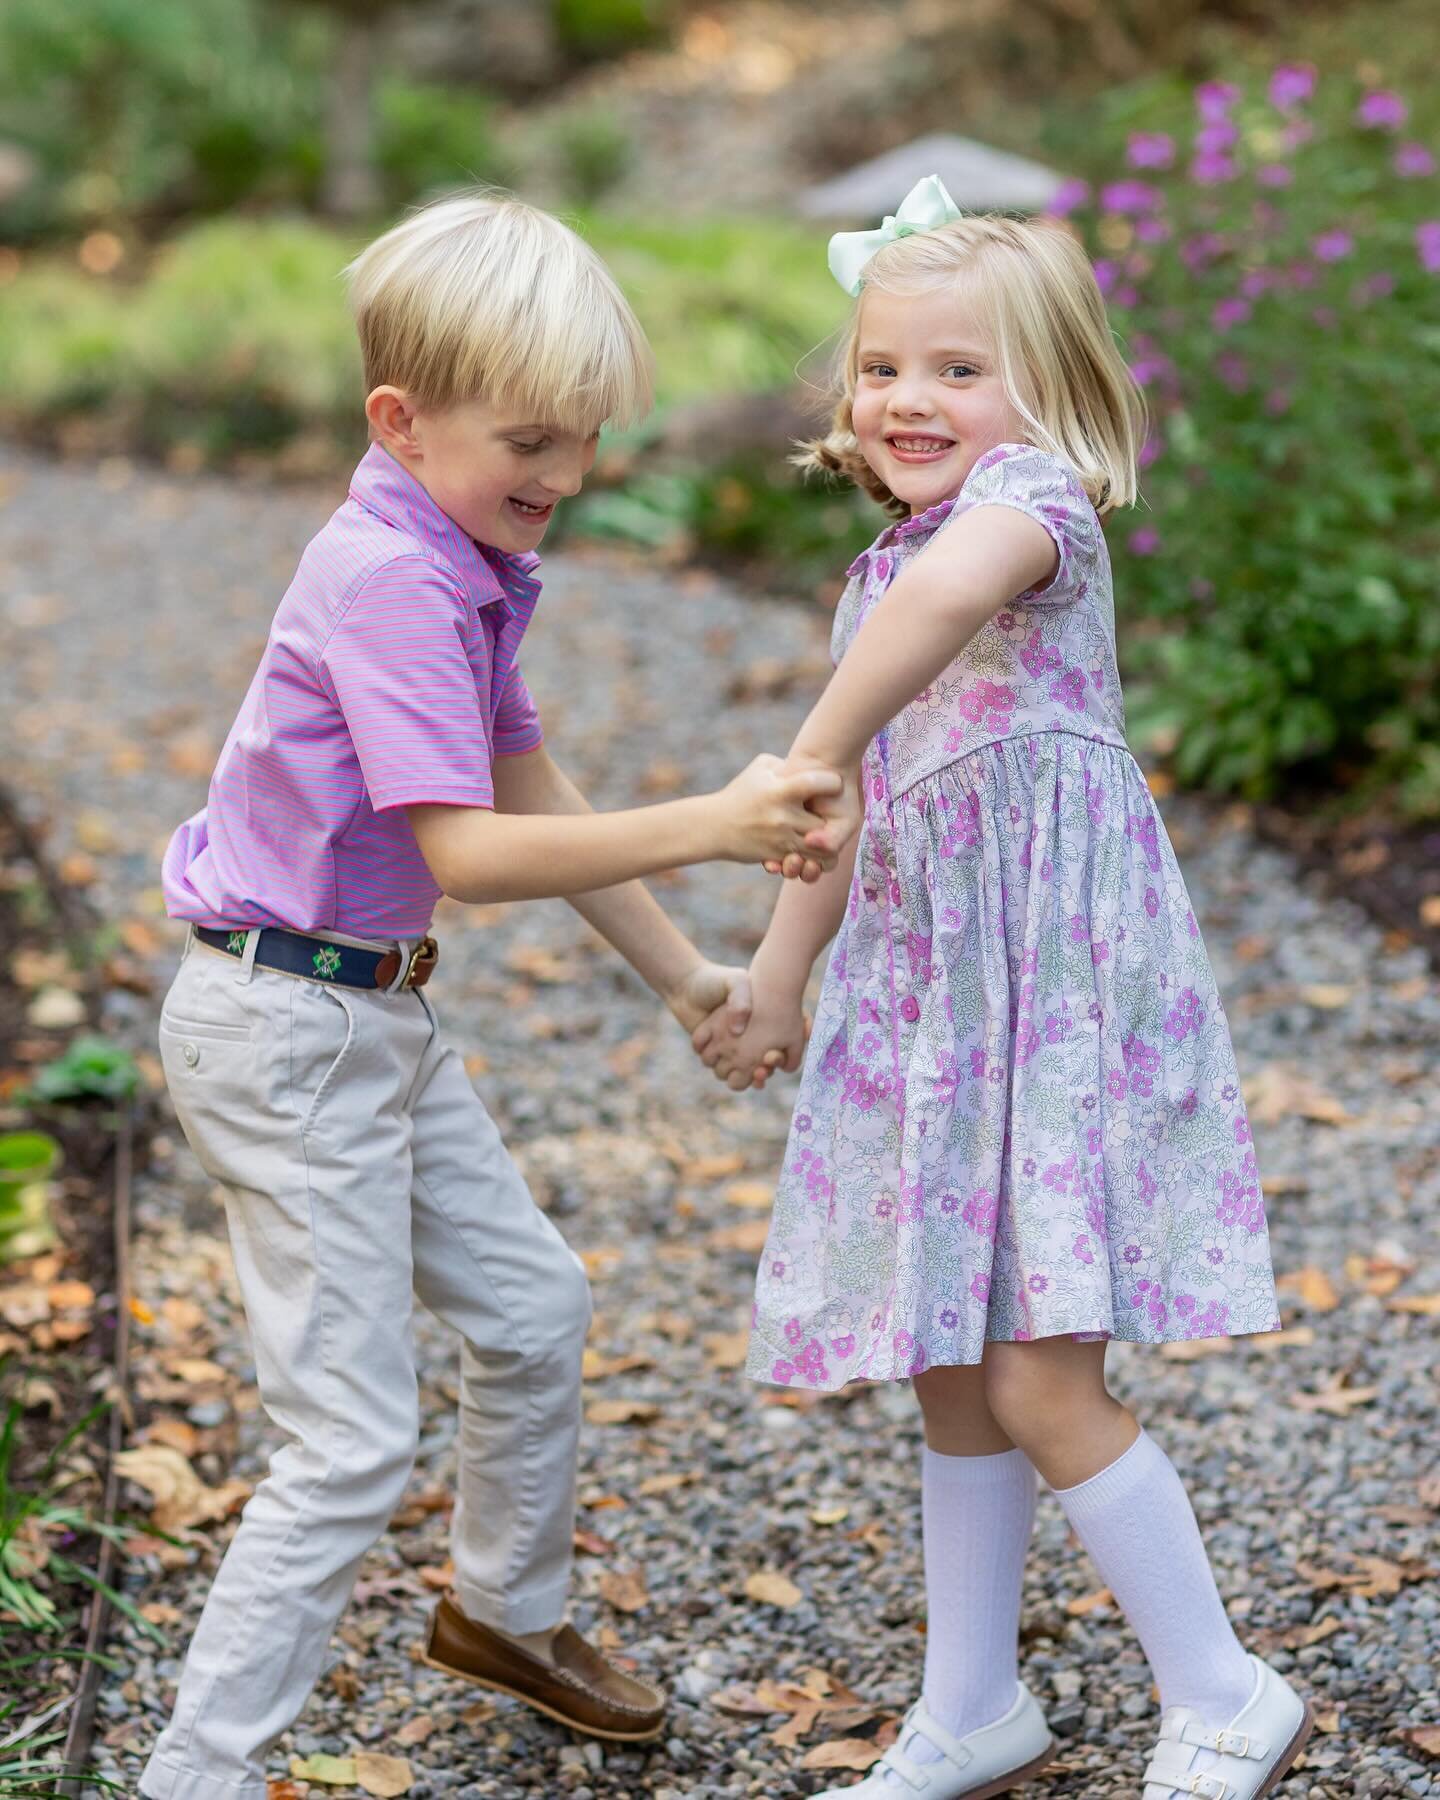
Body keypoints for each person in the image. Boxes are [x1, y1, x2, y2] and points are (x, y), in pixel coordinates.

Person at [141, 189, 840, 1800]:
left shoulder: (463, 556)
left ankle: (505, 1615)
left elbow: (528, 778)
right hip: (284, 1032)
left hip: (366, 1019)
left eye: (589, 439)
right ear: (401, 420)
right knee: (346, 1446)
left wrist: (685, 979)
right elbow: (467, 850)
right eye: (536, 438)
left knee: (534, 1310)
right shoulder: (387, 577)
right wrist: (723, 825)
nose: (571, 476)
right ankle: (192, 1771)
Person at [692, 179, 1312, 1800]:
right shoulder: (873, 579)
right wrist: (776, 975)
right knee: (948, 1358)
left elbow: (943, 614)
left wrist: (811, 739)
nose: (910, 398)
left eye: (958, 368)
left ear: (1042, 393)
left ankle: (1226, 1682)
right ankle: (971, 1705)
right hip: (936, 1010)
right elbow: (843, 814)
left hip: (1052, 1007)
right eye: (884, 366)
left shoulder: (1033, 513)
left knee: (1044, 1369)